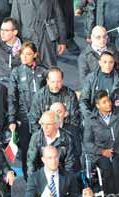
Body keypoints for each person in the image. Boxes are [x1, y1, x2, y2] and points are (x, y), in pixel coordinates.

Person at [8, 41, 47, 178]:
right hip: (23, 117)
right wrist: (12, 119)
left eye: (28, 54)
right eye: (22, 54)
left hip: (41, 118)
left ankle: (43, 177)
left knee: (43, 148)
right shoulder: (16, 72)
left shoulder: (43, 71)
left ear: (35, 55)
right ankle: (28, 178)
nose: (24, 57)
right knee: (26, 149)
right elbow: (12, 97)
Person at [83, 90, 119, 197]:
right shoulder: (92, 121)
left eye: (108, 101)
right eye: (104, 102)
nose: (108, 104)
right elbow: (87, 142)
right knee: (107, 165)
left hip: (117, 150)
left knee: (116, 164)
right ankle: (110, 195)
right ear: (98, 106)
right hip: (100, 153)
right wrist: (102, 151)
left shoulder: (117, 115)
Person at [11, 0, 66, 68]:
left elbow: (59, 16)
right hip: (26, 38)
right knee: (27, 68)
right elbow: (15, 20)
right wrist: (15, 42)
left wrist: (62, 40)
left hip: (46, 38)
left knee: (49, 68)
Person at [29, 67, 81, 133]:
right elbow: (34, 121)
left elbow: (75, 119)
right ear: (47, 81)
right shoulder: (39, 96)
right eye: (53, 82)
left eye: (58, 82)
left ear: (62, 80)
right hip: (45, 134)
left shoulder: (70, 95)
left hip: (66, 133)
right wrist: (43, 136)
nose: (56, 85)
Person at [27, 111, 76, 177]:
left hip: (61, 177)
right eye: (43, 124)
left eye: (48, 124)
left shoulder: (67, 138)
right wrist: (33, 182)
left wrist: (64, 183)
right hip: (41, 177)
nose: (45, 127)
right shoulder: (36, 138)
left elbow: (70, 164)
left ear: (57, 125)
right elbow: (31, 163)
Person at [80, 51, 119, 117]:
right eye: (105, 62)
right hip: (95, 116)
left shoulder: (117, 78)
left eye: (111, 62)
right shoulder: (91, 78)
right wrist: (89, 117)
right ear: (100, 63)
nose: (108, 65)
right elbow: (83, 100)